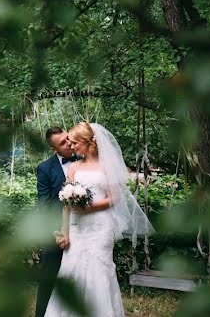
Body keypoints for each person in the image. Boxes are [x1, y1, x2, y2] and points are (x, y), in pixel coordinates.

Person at [44, 122, 154, 317]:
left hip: (100, 227)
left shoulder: (106, 167)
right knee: (72, 272)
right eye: (69, 142)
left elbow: (114, 198)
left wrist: (89, 207)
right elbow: (66, 205)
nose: (72, 146)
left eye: (75, 142)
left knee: (99, 272)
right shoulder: (74, 168)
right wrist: (64, 233)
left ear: (89, 143)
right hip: (77, 229)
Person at [35, 126, 76, 317]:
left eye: (68, 138)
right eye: (63, 143)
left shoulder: (85, 161)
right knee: (49, 278)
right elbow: (44, 203)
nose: (69, 143)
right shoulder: (44, 168)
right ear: (54, 149)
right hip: (55, 232)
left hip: (81, 230)